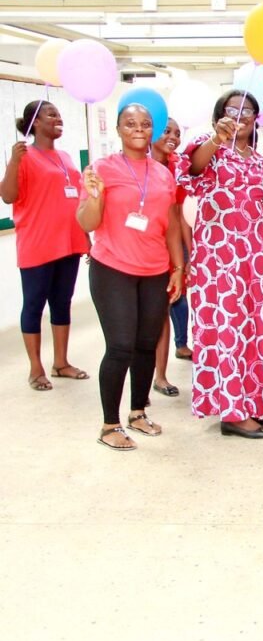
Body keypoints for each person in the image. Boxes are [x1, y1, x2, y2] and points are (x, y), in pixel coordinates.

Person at [179, 90, 263, 439]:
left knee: (257, 329)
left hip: (258, 259)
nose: (241, 115)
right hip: (220, 259)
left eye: (249, 111)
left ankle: (254, 400)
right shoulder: (209, 146)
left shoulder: (258, 160)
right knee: (227, 329)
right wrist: (217, 138)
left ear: (257, 119)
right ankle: (231, 411)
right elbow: (193, 169)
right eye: (232, 109)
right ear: (220, 114)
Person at [76, 104, 184, 450]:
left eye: (145, 124)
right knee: (120, 346)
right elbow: (87, 223)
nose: (138, 128)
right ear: (119, 130)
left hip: (154, 269)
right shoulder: (101, 169)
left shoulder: (163, 173)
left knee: (144, 346)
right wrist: (95, 197)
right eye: (130, 123)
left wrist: (179, 267)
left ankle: (138, 413)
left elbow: (171, 227)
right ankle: (109, 425)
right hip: (113, 269)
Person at [2, 100, 90, 391]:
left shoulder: (64, 157)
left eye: (59, 114)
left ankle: (61, 362)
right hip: (38, 243)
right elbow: (8, 196)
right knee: (35, 304)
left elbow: (76, 198)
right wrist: (14, 161)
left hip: (69, 242)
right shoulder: (25, 156)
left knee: (61, 302)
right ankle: (36, 368)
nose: (58, 119)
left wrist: (86, 238)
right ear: (34, 123)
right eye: (51, 114)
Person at [150, 118, 192, 398]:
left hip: (172, 247)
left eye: (177, 133)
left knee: (164, 312)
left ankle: (160, 376)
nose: (174, 137)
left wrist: (189, 254)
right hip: (143, 246)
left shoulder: (178, 167)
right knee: (150, 317)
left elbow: (180, 214)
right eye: (167, 131)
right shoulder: (133, 166)